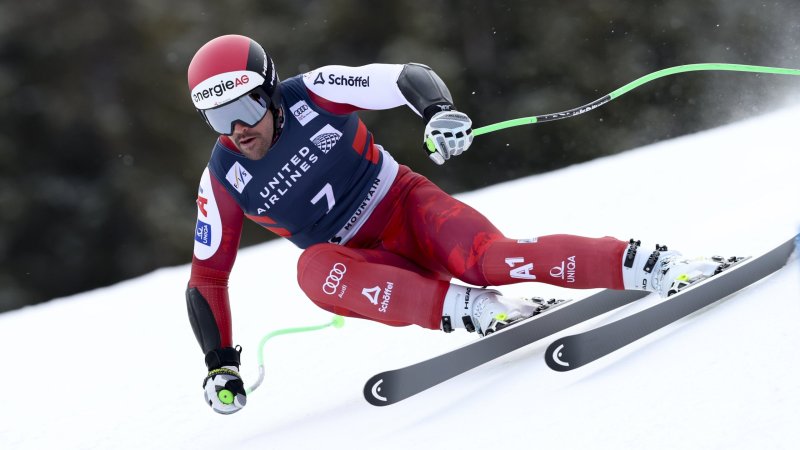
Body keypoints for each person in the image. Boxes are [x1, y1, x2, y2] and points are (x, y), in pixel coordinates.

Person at [185, 34, 723, 414]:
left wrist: (437, 111)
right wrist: (220, 364)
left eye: (246, 108)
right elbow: (207, 277)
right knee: (313, 272)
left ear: (272, 91)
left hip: (409, 209)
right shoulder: (223, 176)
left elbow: (403, 77)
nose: (236, 130)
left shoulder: (316, 91)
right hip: (368, 264)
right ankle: (473, 311)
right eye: (216, 119)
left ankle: (656, 265)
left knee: (490, 259)